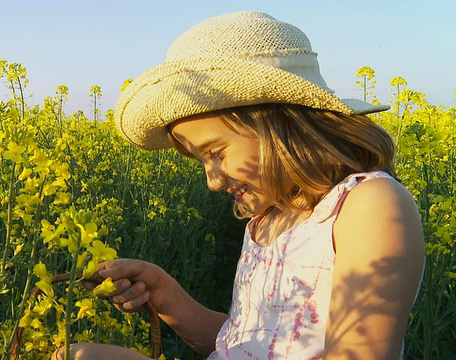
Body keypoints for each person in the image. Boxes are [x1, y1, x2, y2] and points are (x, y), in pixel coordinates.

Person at [51, 11, 425, 360]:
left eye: (216, 152)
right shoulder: (268, 218)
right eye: (201, 162)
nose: (212, 181)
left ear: (279, 124)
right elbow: (244, 342)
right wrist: (167, 295)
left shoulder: (368, 205)